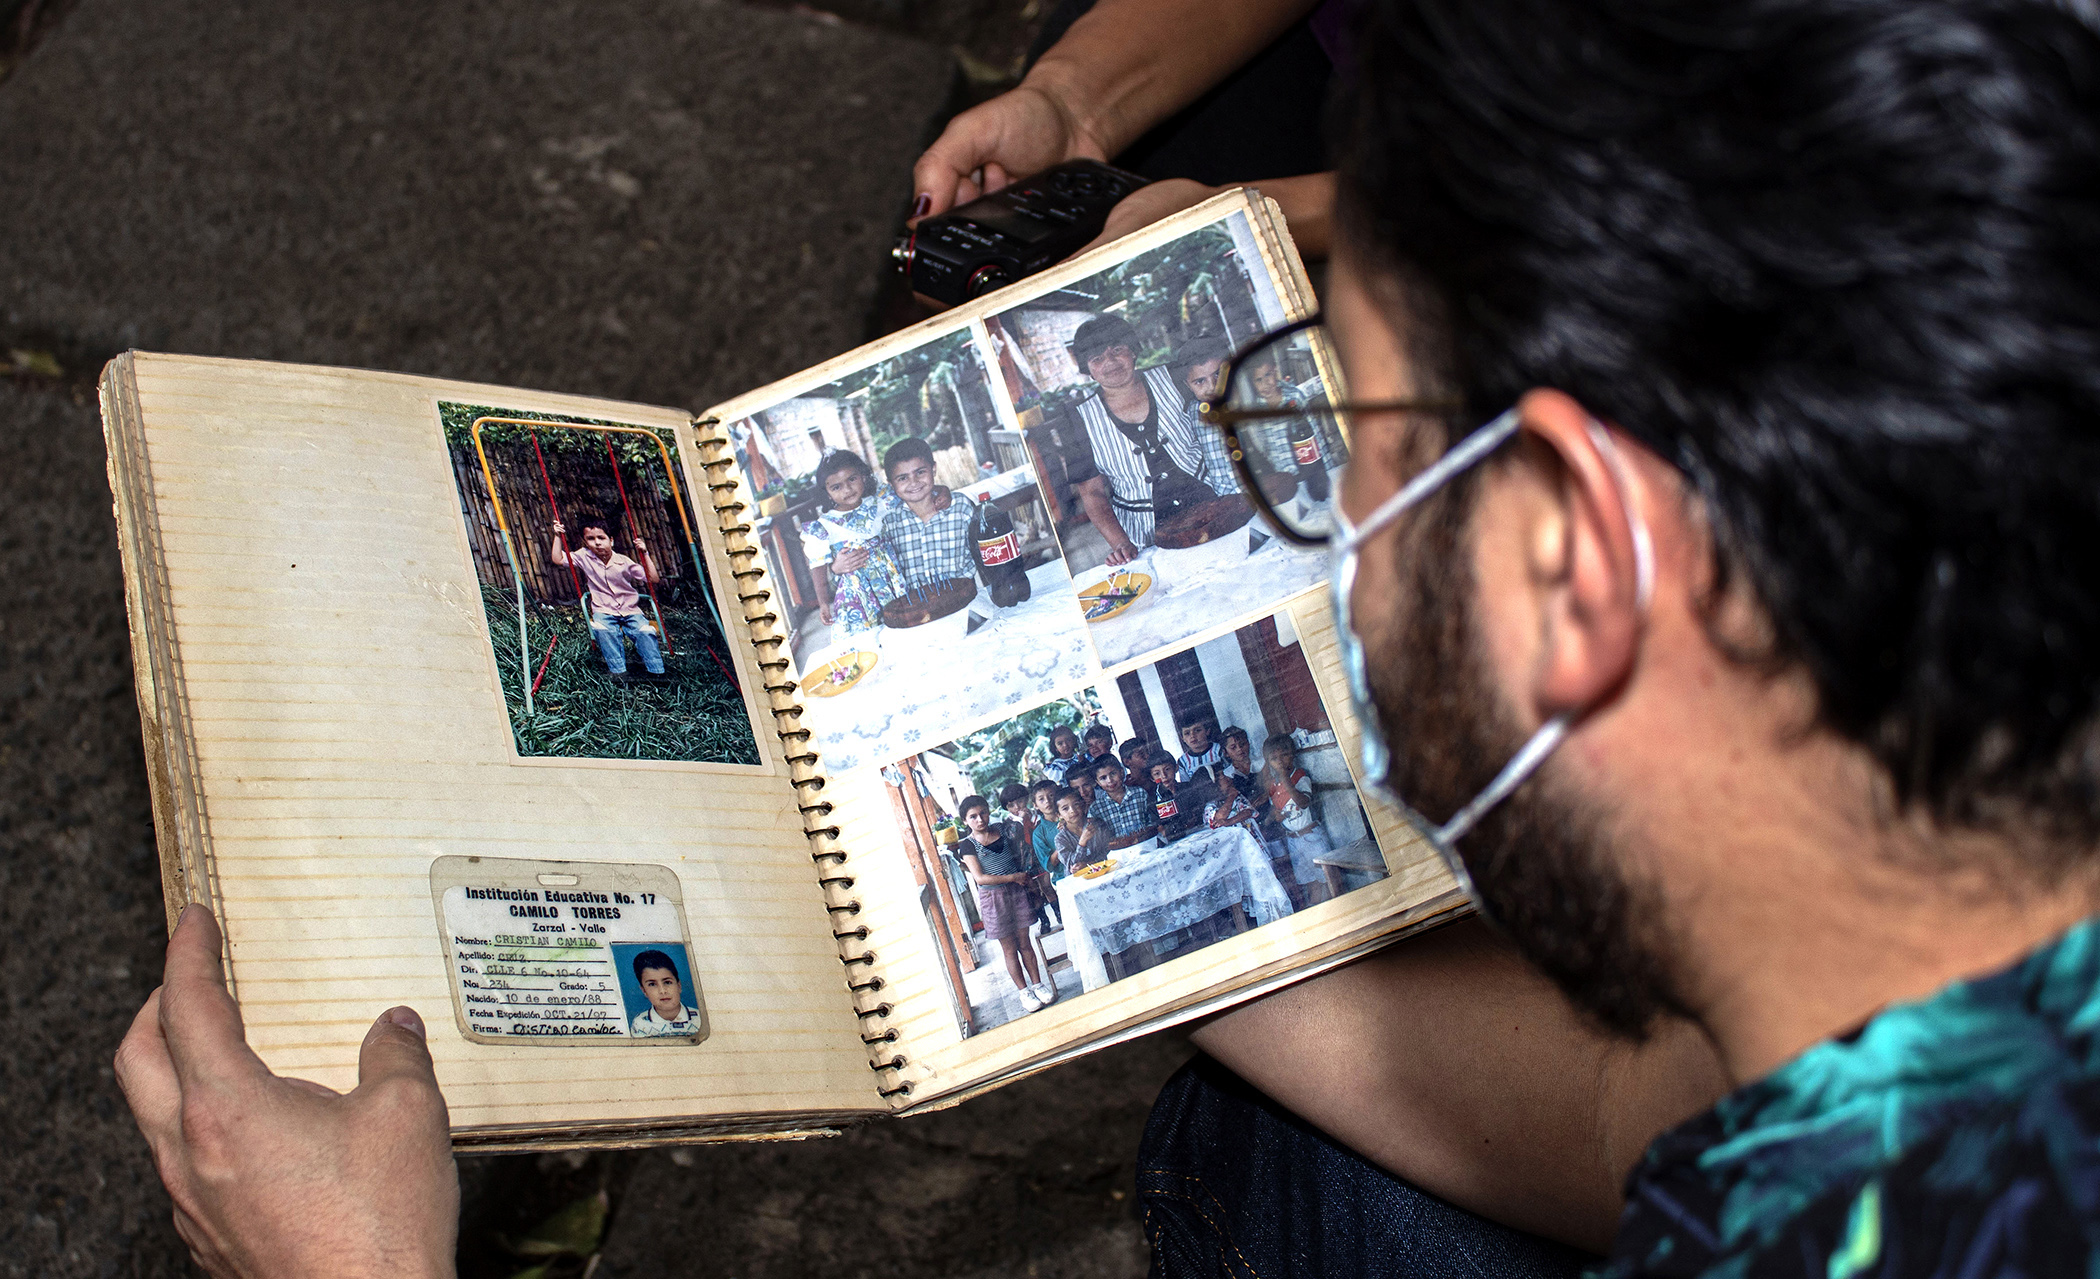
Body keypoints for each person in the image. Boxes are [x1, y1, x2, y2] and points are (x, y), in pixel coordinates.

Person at [119, 4, 2100, 1274]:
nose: (1311, 505)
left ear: (1583, 566)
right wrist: (1010, 921)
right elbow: (1626, 1115)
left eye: (1347, 430)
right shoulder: (1905, 987)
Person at [1055, 315, 1235, 565]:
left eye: (1117, 350)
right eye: (1097, 358)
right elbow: (1093, 493)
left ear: (1133, 350)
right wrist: (1120, 543)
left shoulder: (1176, 378)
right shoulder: (1076, 421)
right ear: (1088, 369)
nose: (1110, 362)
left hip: (1217, 504)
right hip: (1146, 536)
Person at [957, 794, 1056, 1013]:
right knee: (1009, 949)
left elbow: (1021, 852)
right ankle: (1024, 991)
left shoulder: (1004, 830)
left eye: (983, 813)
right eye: (973, 816)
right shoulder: (967, 845)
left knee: (1025, 943)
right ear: (965, 821)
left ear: (988, 811)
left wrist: (1026, 878)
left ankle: (1038, 985)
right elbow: (980, 878)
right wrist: (1013, 877)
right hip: (993, 899)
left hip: (1017, 892)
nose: (980, 819)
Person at [799, 451, 903, 638]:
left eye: (852, 479)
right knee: (869, 640)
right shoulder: (824, 526)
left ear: (863, 476)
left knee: (902, 630)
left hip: (893, 584)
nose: (847, 490)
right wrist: (823, 603)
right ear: (827, 492)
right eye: (837, 487)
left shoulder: (880, 503)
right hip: (857, 597)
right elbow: (818, 568)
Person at [549, 516, 663, 677]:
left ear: (611, 540)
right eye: (591, 539)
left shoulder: (624, 561)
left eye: (601, 538)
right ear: (585, 542)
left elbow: (653, 578)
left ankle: (656, 670)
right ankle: (618, 671)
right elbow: (558, 559)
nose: (597, 542)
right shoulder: (583, 556)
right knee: (604, 630)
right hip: (603, 609)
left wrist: (645, 553)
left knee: (644, 631)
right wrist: (557, 536)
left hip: (630, 609)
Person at [627, 950, 702, 1037]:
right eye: (652, 984)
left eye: (667, 982)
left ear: (679, 985)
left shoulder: (700, 1019)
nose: (662, 991)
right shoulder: (639, 1024)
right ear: (644, 991)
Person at [1087, 758, 1158, 849]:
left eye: (1113, 774)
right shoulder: (1096, 808)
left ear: (1121, 772)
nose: (1110, 780)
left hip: (1147, 845)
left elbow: (1152, 822)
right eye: (1103, 778)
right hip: (1118, 854)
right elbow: (1099, 840)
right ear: (1097, 782)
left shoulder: (1139, 794)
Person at [1053, 785, 1111, 876]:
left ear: (1083, 805)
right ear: (1058, 815)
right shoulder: (1060, 839)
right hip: (1080, 881)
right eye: (1065, 808)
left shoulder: (1097, 825)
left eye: (1076, 804)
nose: (1072, 810)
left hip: (1106, 872)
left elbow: (1109, 851)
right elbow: (1072, 865)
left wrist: (1090, 864)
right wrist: (1082, 842)